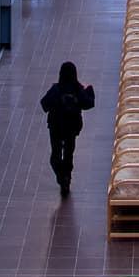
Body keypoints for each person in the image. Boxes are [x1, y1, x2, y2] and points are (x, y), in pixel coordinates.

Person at [40, 60, 95, 197]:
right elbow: (89, 103)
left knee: (55, 155)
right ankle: (67, 178)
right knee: (69, 153)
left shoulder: (56, 89)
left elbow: (44, 105)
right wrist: (89, 89)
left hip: (56, 127)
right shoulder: (78, 89)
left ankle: (61, 176)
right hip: (72, 127)